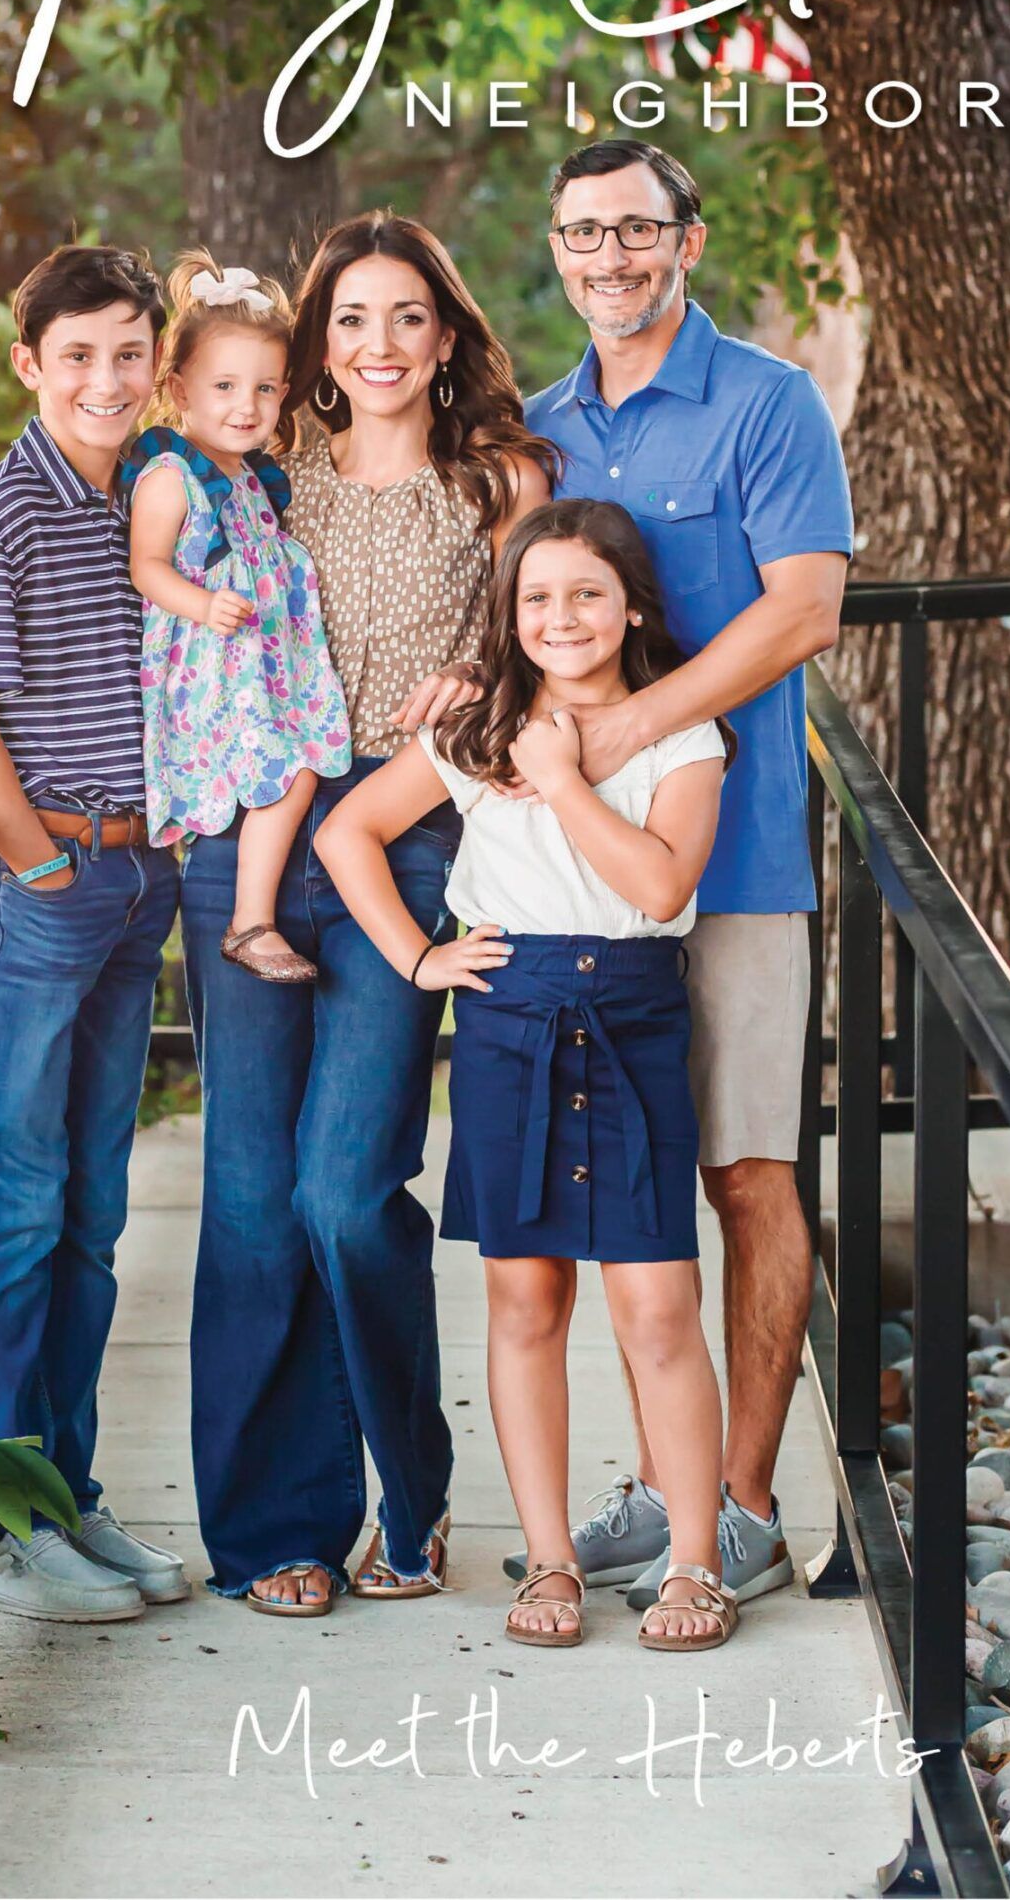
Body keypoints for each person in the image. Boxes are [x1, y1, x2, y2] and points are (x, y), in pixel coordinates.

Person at [182, 210, 554, 1614]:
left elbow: (548, 649)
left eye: (406, 317)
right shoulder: (258, 475)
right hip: (248, 852)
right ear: (314, 344)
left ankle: (414, 1485)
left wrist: (467, 692)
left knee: (345, 1194)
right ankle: (278, 1527)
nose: (377, 344)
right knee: (251, 1207)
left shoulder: (497, 484)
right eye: (348, 319)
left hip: (406, 848)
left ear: (445, 334)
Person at [519, 139, 852, 1614]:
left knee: (744, 1170)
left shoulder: (769, 403)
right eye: (582, 233)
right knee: (625, 1195)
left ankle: (742, 1498)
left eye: (635, 231)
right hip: (583, 886)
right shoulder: (534, 431)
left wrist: (631, 726)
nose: (609, 258)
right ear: (556, 247)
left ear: (687, 242)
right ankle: (660, 1485)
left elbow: (804, 612)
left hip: (744, 855)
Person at [318, 501, 737, 1650]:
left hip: (634, 1011)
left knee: (657, 1303)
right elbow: (346, 833)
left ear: (631, 606)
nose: (561, 616)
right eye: (536, 596)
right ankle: (550, 1559)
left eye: (586, 593)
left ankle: (692, 1563)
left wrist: (561, 778)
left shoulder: (682, 733)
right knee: (525, 1296)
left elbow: (658, 887)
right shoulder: (476, 730)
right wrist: (418, 954)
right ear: (508, 615)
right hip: (508, 1019)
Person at [0, 242, 189, 1624]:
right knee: (10, 1208)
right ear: (29, 364)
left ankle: (62, 1500)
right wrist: (38, 869)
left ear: (155, 362)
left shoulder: (141, 497)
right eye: (74, 354)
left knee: (89, 1211)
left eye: (127, 352)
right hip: (36, 888)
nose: (103, 377)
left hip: (131, 888)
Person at [125, 251, 351, 982]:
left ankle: (253, 915)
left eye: (262, 388)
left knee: (302, 769)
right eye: (223, 386)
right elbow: (146, 567)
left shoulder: (252, 477)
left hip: (260, 669)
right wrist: (202, 603)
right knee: (291, 776)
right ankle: (249, 924)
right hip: (209, 675)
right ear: (178, 388)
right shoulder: (170, 477)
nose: (244, 405)